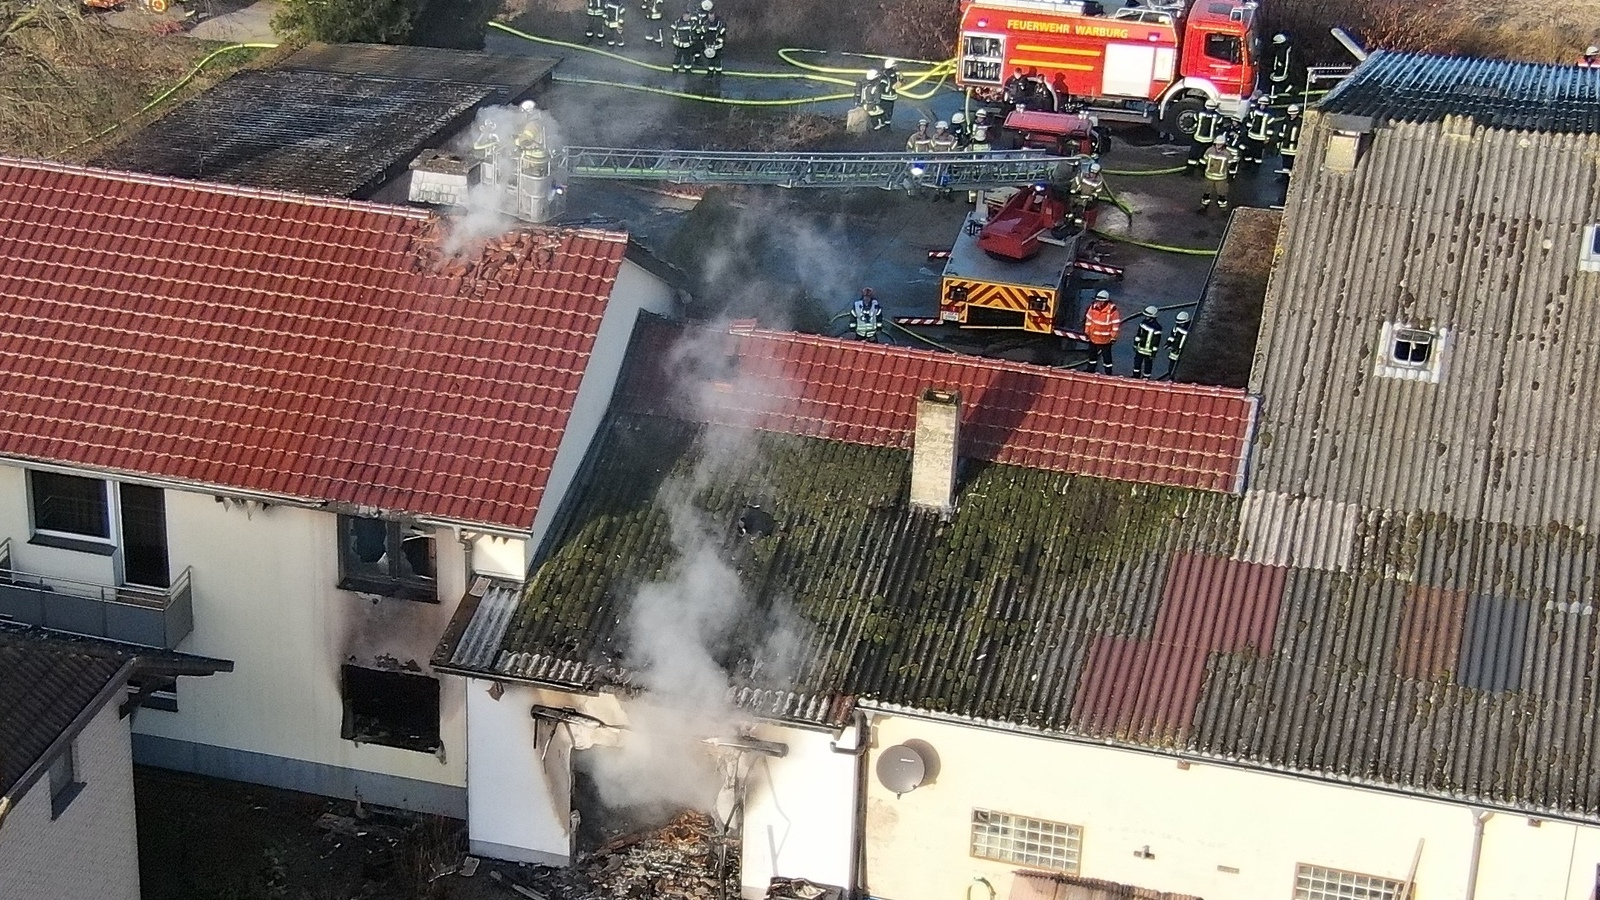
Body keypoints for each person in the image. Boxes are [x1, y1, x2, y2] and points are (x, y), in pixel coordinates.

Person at [1084, 290, 1120, 375]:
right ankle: (1090, 370)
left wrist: (1113, 337)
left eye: (1101, 300)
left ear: (1105, 301)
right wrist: (1087, 331)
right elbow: (1089, 320)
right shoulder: (1093, 307)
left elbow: (1115, 325)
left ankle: (1108, 373)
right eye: (1098, 300)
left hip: (1105, 339)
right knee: (1092, 356)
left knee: (1107, 358)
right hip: (1093, 337)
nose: (1099, 302)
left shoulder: (1112, 311)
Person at [1199, 138, 1237, 212]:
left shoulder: (1227, 154)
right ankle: (1203, 207)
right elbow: (1204, 161)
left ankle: (1223, 210)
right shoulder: (1210, 151)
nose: (1218, 146)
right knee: (1206, 193)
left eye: (1220, 144)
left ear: (1223, 145)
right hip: (1209, 176)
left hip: (1221, 178)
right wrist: (1202, 170)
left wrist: (1231, 176)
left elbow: (1231, 165)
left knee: (1222, 195)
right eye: (1217, 144)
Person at [1188, 98, 1222, 175]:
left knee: (1193, 154)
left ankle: (1189, 170)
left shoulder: (1199, 113)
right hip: (1208, 140)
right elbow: (1219, 126)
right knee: (1204, 156)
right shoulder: (1218, 116)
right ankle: (1202, 170)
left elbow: (1193, 121)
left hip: (1197, 137)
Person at [1242, 91, 1273, 165]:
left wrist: (1267, 137)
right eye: (1261, 104)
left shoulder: (1269, 115)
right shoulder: (1254, 111)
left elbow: (1270, 127)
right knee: (1250, 147)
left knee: (1258, 149)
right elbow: (1249, 121)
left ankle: (1257, 159)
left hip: (1261, 137)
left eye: (1264, 105)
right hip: (1252, 134)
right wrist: (1248, 130)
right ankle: (1248, 158)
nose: (1262, 106)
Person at [1132, 306, 1161, 379]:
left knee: (1148, 365)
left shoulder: (1157, 328)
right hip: (1140, 348)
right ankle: (1136, 376)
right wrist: (1135, 344)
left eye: (1147, 316)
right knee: (1137, 363)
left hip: (1149, 351)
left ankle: (1146, 377)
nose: (1146, 317)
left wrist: (1153, 352)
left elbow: (1156, 341)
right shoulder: (1143, 323)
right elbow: (1138, 334)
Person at [1274, 103, 1302, 174]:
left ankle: (1291, 174)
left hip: (1294, 147)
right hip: (1285, 145)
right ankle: (1284, 174)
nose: (1292, 115)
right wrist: (1279, 141)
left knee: (1292, 160)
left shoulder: (1300, 122)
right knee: (1285, 160)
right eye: (1291, 114)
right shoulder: (1285, 121)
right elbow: (1281, 131)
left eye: (1294, 114)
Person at [698, 4, 726, 76]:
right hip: (708, 44)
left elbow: (722, 33)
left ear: (714, 15)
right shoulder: (705, 23)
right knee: (710, 58)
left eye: (712, 16)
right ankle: (710, 72)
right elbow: (703, 32)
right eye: (709, 17)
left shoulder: (720, 23)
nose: (711, 18)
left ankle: (718, 72)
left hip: (717, 45)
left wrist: (719, 41)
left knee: (718, 59)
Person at [1164, 310, 1191, 378]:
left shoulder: (1189, 330)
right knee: (1171, 367)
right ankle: (1171, 377)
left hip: (1183, 352)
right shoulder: (1176, 328)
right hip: (1174, 352)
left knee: (1181, 368)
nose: (1180, 325)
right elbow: (1172, 336)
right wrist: (1168, 343)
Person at [1267, 33, 1293, 102]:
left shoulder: (1287, 52)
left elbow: (1287, 64)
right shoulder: (1277, 53)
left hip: (1282, 76)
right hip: (1277, 75)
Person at [877, 59, 900, 129]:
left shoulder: (884, 74)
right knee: (888, 113)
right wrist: (901, 80)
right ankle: (886, 129)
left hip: (884, 97)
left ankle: (882, 124)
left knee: (883, 112)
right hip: (889, 97)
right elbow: (894, 86)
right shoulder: (892, 75)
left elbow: (881, 87)